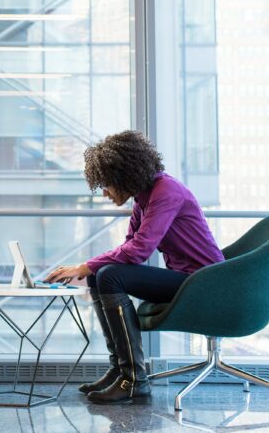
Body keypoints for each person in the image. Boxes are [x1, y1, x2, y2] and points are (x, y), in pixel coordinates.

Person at [46, 130, 225, 404]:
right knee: (101, 275)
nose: (104, 193)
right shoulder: (145, 198)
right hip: (186, 279)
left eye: (106, 185)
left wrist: (84, 265)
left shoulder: (166, 192)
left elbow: (140, 250)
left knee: (107, 274)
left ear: (123, 176)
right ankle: (120, 370)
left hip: (204, 283)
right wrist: (88, 269)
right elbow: (129, 245)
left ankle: (134, 379)